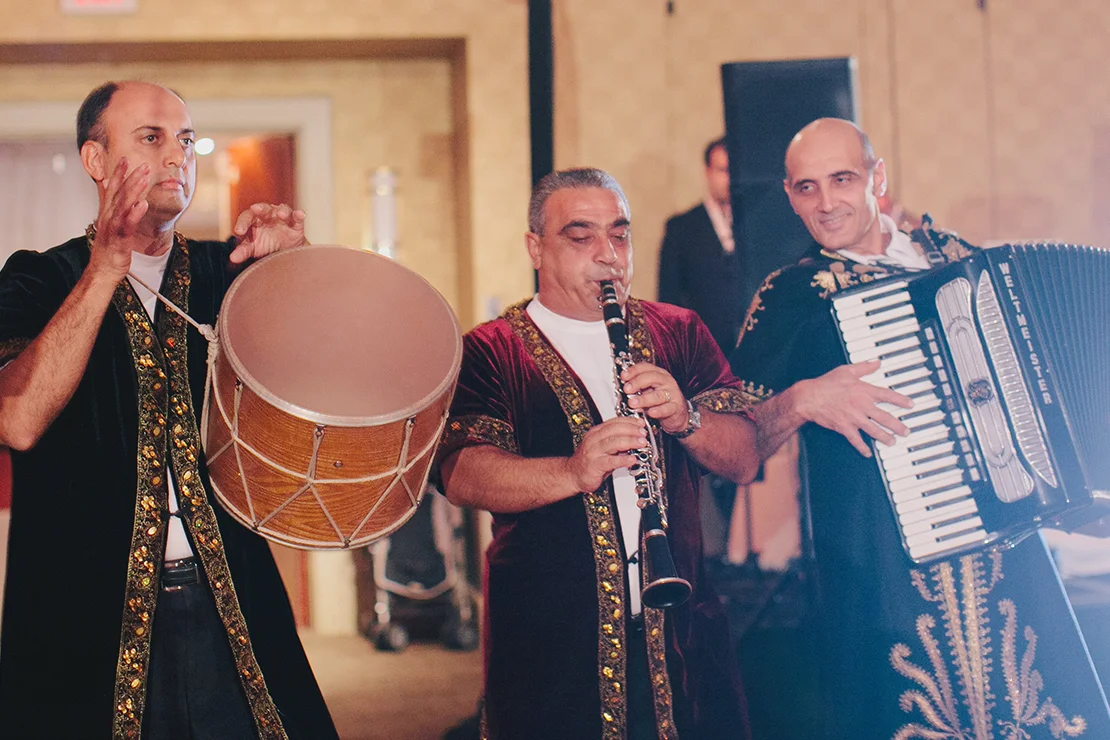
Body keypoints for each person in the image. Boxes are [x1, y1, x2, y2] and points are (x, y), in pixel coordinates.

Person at [730, 117, 1110, 738]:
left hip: (1009, 551)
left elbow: (1032, 384)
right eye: (806, 187)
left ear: (877, 178)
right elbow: (736, 444)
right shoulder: (790, 296)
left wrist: (1075, 485)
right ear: (790, 197)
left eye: (842, 179)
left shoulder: (958, 258)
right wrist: (802, 400)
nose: (825, 203)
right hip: (880, 569)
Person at [0, 81, 339, 739]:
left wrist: (294, 273)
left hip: (231, 593)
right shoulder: (39, 278)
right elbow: (17, 420)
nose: (177, 156)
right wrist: (105, 269)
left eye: (185, 139)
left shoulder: (228, 271)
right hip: (85, 608)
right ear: (96, 160)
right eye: (151, 138)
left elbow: (319, 399)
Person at [439, 168, 760, 740]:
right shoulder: (490, 350)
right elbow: (462, 473)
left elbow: (745, 458)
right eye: (581, 236)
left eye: (620, 234)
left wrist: (687, 419)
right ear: (536, 248)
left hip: (681, 633)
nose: (608, 255)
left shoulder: (679, 330)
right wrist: (572, 471)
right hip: (551, 642)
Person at [657, 137, 741, 354]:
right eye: (722, 170)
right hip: (703, 349)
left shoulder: (752, 225)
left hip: (750, 346)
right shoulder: (681, 227)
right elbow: (669, 297)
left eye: (734, 171)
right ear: (708, 172)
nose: (729, 179)